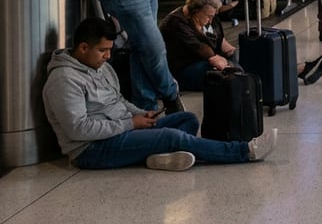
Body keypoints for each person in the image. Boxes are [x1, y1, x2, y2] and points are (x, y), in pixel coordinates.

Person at [43, 17, 275, 171]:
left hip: (119, 129)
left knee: (187, 119)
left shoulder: (100, 67)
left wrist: (141, 114)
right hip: (92, 149)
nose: (107, 57)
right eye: (102, 51)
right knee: (171, 137)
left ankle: (154, 157)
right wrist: (130, 124)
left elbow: (119, 100)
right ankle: (244, 151)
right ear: (83, 47)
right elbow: (78, 129)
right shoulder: (63, 79)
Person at [159, 0, 238, 91]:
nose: (210, 20)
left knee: (236, 69)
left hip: (205, 60)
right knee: (220, 76)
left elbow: (219, 39)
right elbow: (199, 47)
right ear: (196, 11)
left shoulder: (207, 16)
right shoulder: (175, 22)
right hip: (184, 67)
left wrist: (230, 53)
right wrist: (218, 61)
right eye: (209, 16)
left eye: (212, 16)